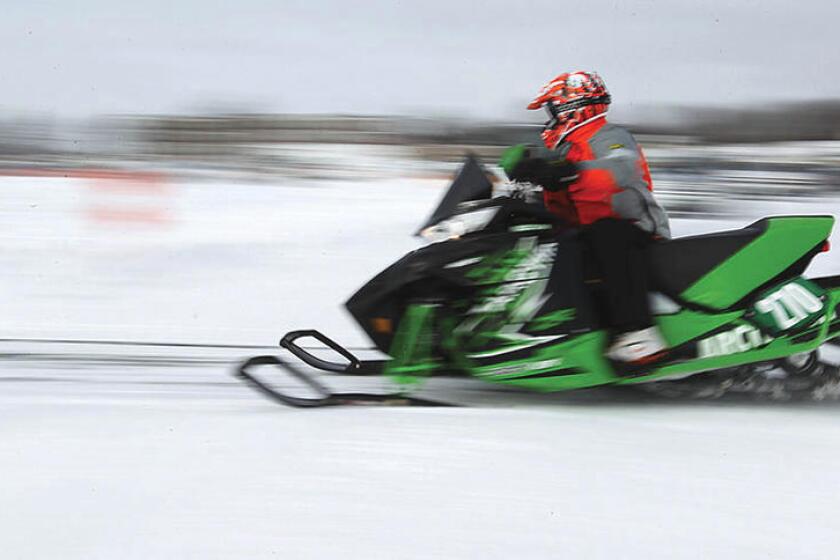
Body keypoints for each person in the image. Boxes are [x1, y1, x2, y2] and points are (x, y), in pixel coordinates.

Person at [505, 70, 671, 365]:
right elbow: (555, 195)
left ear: (572, 108)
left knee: (607, 233)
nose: (550, 118)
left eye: (552, 110)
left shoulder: (610, 136)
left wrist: (568, 171)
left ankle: (639, 334)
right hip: (584, 230)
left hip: (632, 229)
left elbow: (618, 171)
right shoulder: (564, 148)